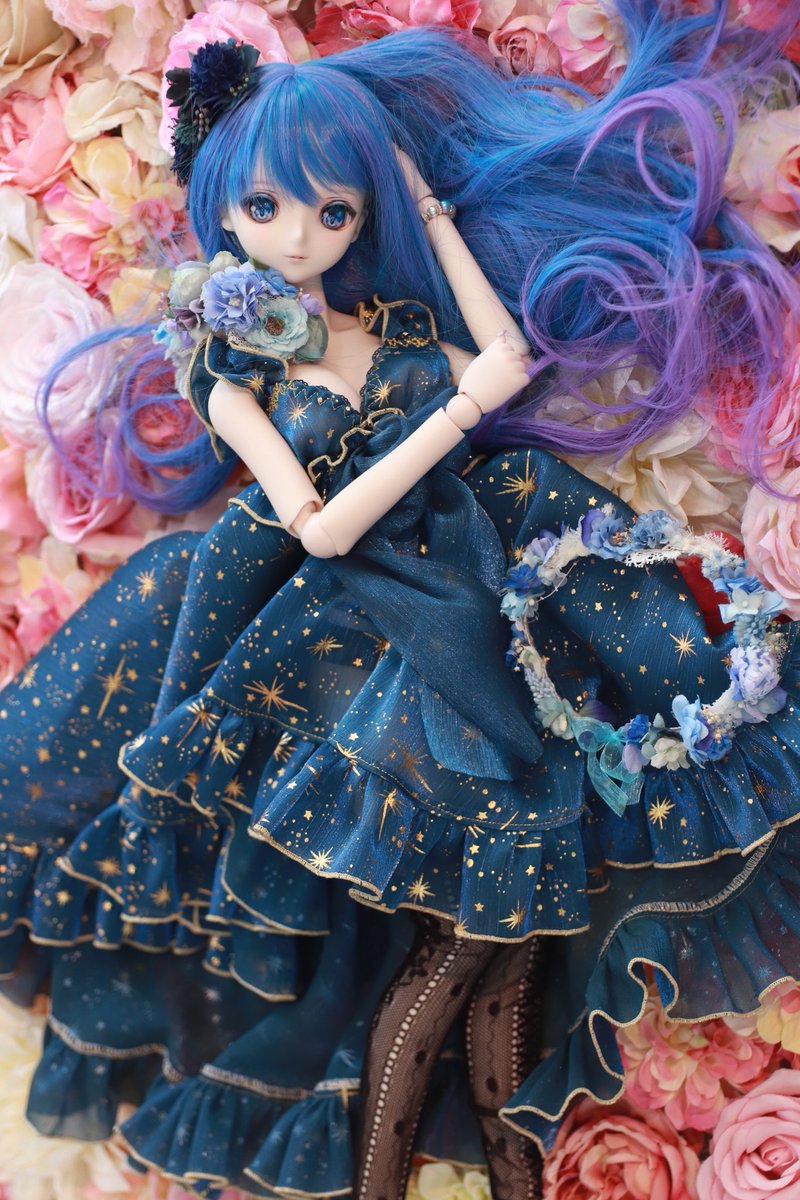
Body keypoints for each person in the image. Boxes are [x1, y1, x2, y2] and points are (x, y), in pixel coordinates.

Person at [1, 5, 799, 1199]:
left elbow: (505, 360)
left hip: (485, 619)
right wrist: (451, 419)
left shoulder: (396, 327)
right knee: (463, 947)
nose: (299, 236)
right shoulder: (233, 369)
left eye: (333, 211)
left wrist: (429, 218)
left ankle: (512, 1180)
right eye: (267, 207)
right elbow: (320, 525)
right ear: (222, 207)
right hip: (373, 652)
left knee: (510, 954)